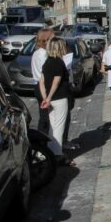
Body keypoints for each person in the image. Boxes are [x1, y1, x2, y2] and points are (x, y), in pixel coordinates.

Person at [39, 37, 74, 166]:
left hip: (49, 99)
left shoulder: (47, 62)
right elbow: (56, 82)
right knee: (59, 127)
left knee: (52, 127)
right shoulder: (59, 62)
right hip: (59, 98)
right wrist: (49, 98)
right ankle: (58, 154)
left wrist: (45, 98)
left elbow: (41, 82)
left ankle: (50, 152)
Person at [31, 27, 54, 134]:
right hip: (44, 87)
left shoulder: (36, 52)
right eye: (52, 38)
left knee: (43, 115)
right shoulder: (44, 54)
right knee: (47, 118)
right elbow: (48, 74)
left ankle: (42, 141)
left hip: (37, 86)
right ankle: (44, 142)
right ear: (46, 39)